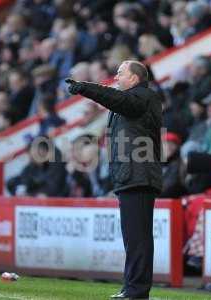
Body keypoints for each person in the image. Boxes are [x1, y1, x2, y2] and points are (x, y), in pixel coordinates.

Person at [66, 60, 162, 299]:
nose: (116, 77)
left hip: (138, 177)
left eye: (120, 73)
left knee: (138, 239)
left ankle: (137, 290)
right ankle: (131, 287)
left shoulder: (143, 97)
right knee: (133, 238)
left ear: (135, 78)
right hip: (130, 177)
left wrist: (85, 88)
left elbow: (118, 100)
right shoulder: (132, 101)